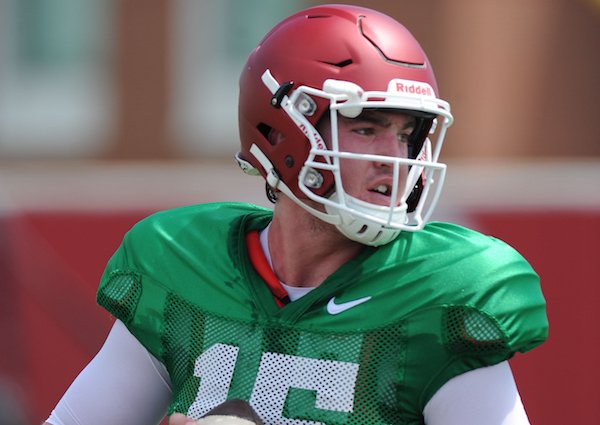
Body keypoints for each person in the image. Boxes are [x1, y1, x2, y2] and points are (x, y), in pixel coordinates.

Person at [44, 4, 548, 425]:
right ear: (280, 131)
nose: (394, 159)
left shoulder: (443, 294)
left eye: (408, 134)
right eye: (367, 129)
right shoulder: (181, 268)